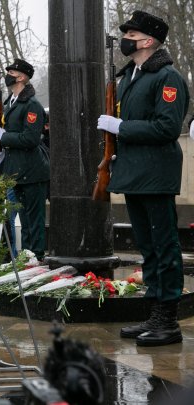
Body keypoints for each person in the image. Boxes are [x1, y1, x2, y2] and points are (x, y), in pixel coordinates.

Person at [96, 11, 190, 347]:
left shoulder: (167, 77)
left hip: (156, 172)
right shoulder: (131, 76)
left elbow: (167, 127)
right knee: (148, 247)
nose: (126, 40)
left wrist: (120, 127)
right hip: (135, 173)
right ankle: (154, 314)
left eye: (132, 35)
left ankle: (168, 320)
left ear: (149, 40)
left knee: (164, 247)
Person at [0, 58, 49, 260]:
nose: (8, 75)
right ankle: (20, 256)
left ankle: (35, 257)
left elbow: (31, 138)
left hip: (32, 170)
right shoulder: (11, 102)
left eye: (11, 72)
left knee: (33, 220)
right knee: (16, 220)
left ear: (21, 77)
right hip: (13, 170)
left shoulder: (32, 105)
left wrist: (3, 136)